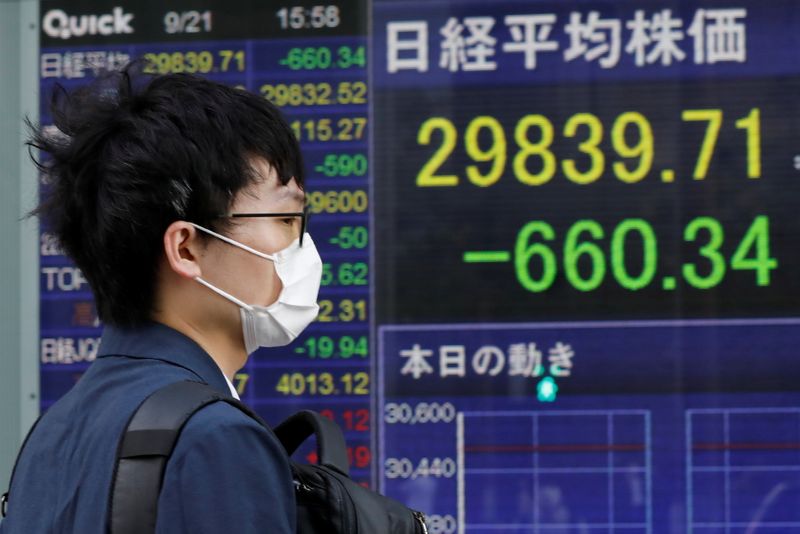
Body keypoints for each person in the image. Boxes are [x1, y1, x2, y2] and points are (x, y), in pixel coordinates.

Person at [0, 64, 322, 533]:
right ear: (186, 247)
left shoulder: (52, 434)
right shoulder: (214, 437)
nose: (302, 246)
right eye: (287, 219)